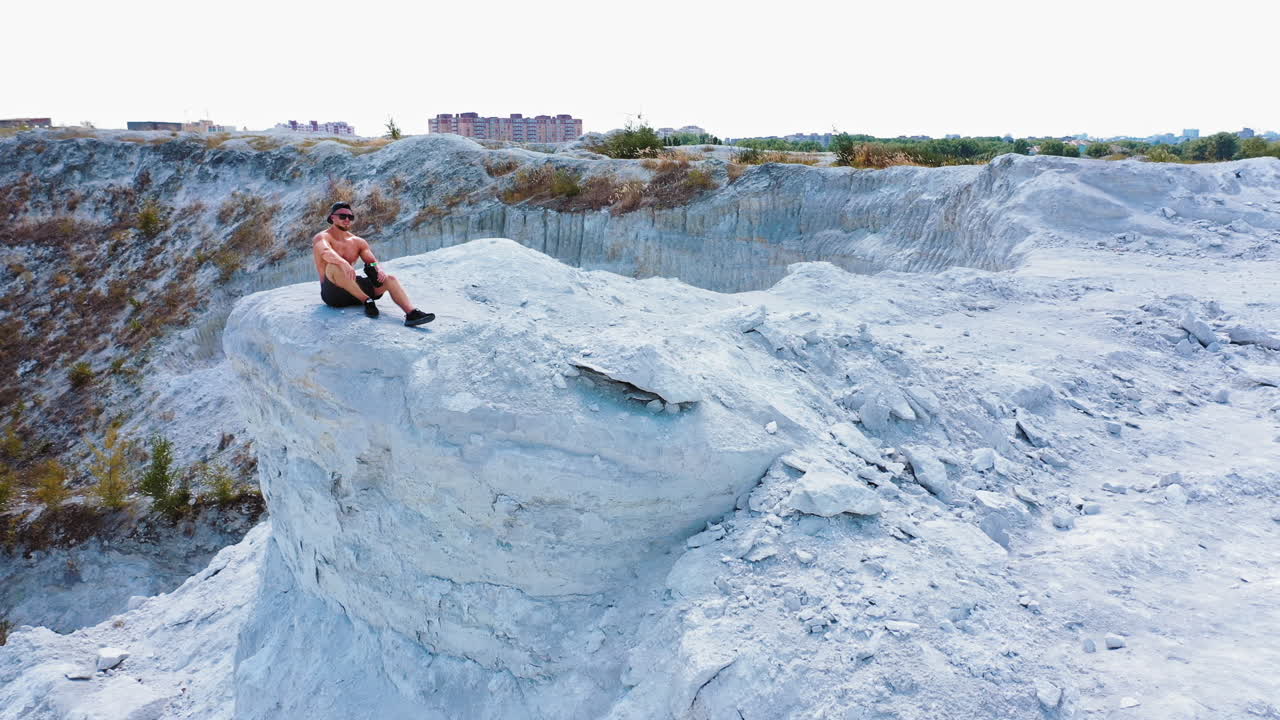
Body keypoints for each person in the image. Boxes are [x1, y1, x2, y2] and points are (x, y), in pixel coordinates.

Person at [312, 202, 435, 327]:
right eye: (343, 216)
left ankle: (411, 313)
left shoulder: (358, 242)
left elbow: (372, 260)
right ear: (333, 217)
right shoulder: (322, 237)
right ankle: (366, 300)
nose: (347, 220)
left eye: (350, 217)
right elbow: (325, 252)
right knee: (334, 265)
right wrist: (343, 262)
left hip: (353, 289)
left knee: (390, 279)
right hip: (334, 294)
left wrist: (378, 269)